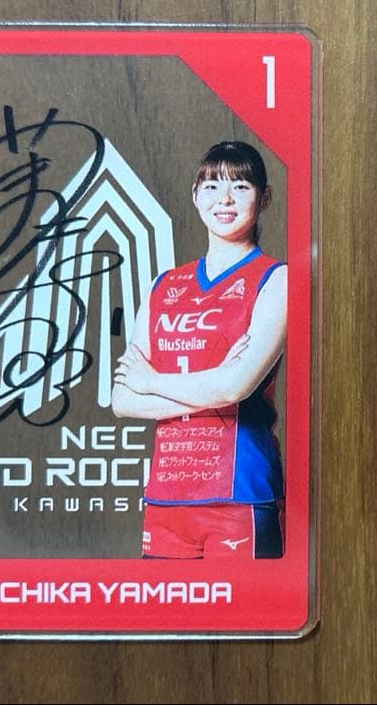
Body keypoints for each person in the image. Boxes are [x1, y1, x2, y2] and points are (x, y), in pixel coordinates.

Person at [112, 141, 287, 559]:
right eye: (211, 186)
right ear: (194, 195)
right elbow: (122, 399)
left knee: (243, 607)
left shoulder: (276, 279)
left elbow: (235, 387)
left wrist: (151, 381)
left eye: (240, 186)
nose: (224, 199)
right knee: (165, 607)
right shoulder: (164, 285)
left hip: (241, 496)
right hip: (167, 497)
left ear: (263, 198)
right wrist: (213, 386)